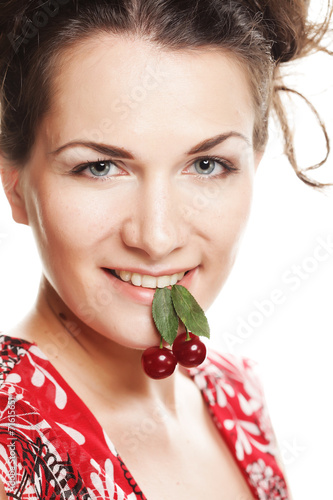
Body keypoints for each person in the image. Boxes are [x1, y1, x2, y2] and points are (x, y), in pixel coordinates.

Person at [0, 0, 331, 498]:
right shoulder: (11, 444)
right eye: (99, 167)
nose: (156, 239)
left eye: (206, 165)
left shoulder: (237, 393)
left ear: (254, 165)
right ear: (15, 182)